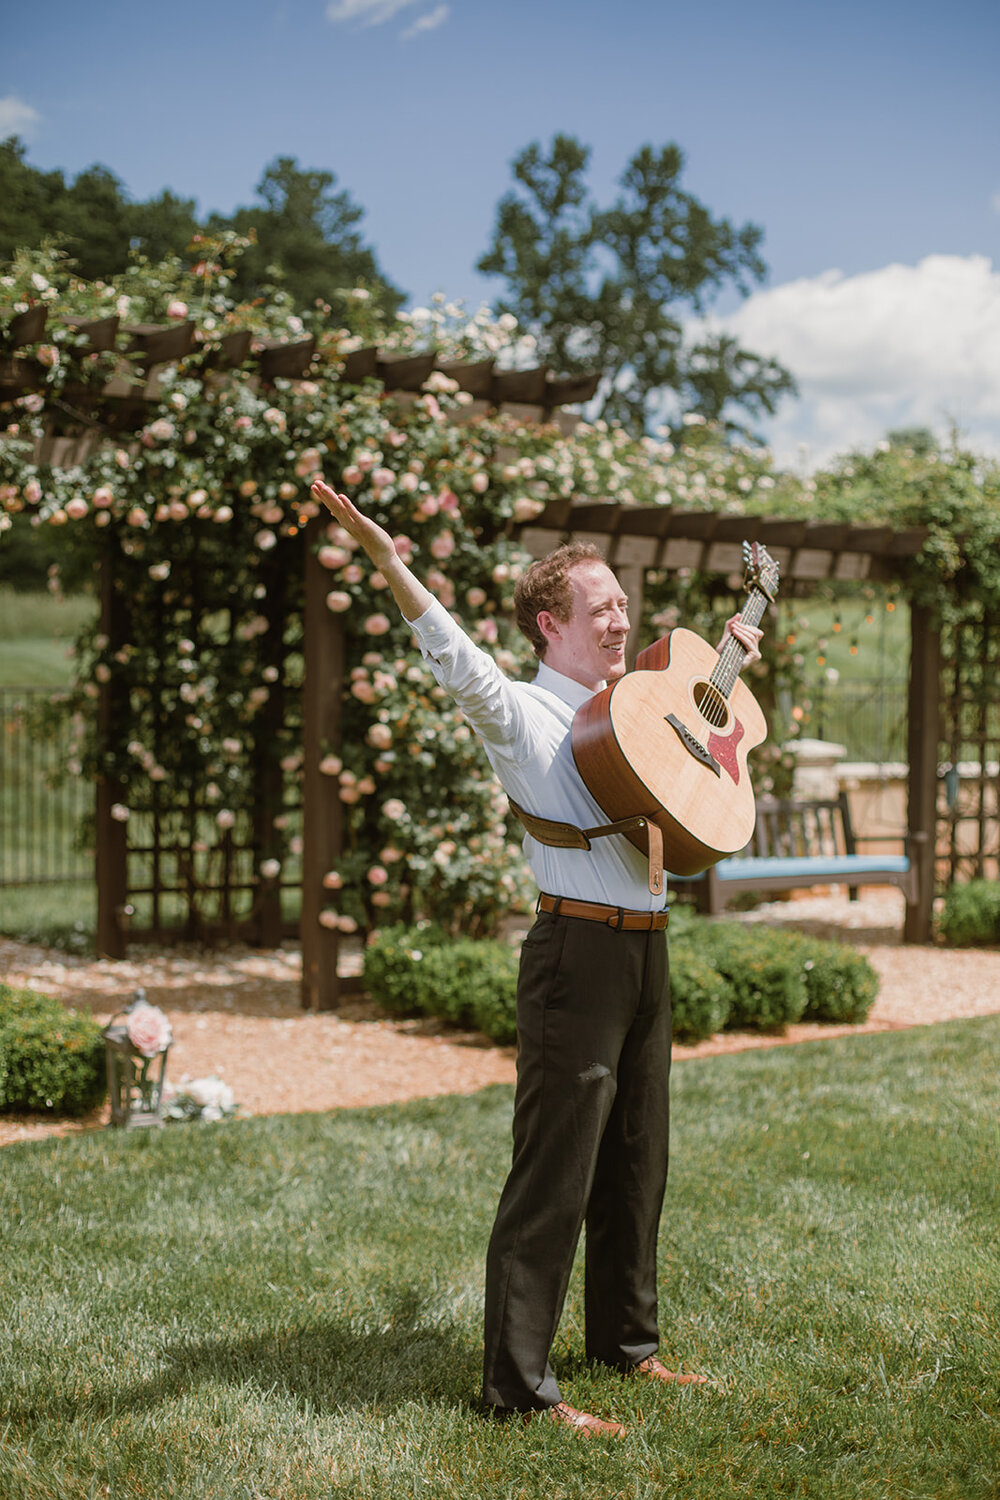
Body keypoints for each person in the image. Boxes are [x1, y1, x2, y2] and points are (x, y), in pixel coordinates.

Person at [311, 477, 762, 1438]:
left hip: (649, 951)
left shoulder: (640, 711)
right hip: (577, 956)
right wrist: (391, 563)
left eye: (624, 606)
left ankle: (627, 1348)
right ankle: (518, 1387)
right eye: (601, 609)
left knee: (639, 1158)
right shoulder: (527, 715)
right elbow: (458, 663)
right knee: (554, 1172)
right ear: (551, 624)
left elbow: (697, 786)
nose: (620, 619)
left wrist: (727, 691)